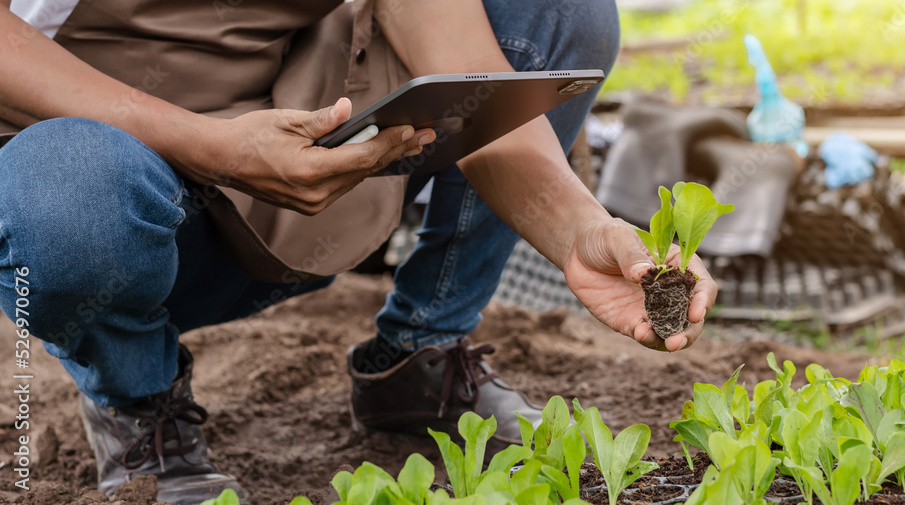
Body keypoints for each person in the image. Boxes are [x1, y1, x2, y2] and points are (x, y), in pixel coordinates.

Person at [0, 0, 718, 503]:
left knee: (558, 12)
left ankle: (419, 354)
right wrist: (214, 147)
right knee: (67, 190)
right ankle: (137, 402)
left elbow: (470, 72)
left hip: (287, 180)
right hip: (94, 200)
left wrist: (577, 229)